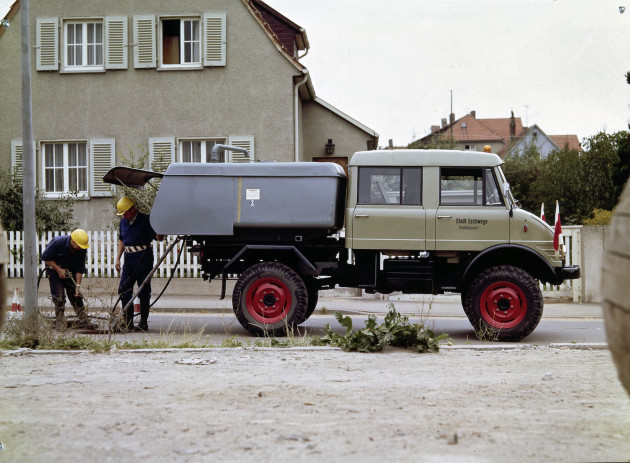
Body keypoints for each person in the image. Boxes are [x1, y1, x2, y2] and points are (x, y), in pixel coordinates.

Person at [115, 196, 163, 331]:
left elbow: (159, 238)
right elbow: (121, 241)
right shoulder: (123, 222)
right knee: (124, 289)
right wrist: (118, 258)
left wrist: (160, 226)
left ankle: (143, 323)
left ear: (132, 210)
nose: (124, 216)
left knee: (143, 291)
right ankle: (128, 322)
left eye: (125, 213)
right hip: (128, 259)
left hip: (143, 258)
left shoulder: (147, 220)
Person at [41, 229, 95, 330]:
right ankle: (60, 320)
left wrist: (78, 286)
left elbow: (80, 268)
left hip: (71, 271)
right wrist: (58, 269)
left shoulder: (82, 248)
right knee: (59, 296)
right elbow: (45, 257)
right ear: (72, 241)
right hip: (55, 271)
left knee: (76, 296)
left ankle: (83, 319)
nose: (80, 248)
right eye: (79, 246)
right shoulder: (57, 242)